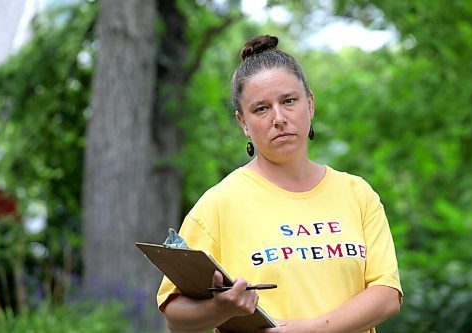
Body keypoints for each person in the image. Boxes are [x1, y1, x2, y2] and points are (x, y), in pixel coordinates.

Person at [156, 35, 402, 333]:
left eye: (289, 101)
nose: (279, 118)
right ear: (243, 123)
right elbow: (175, 316)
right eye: (261, 108)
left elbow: (387, 294)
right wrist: (218, 308)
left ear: (309, 105)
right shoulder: (219, 204)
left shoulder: (357, 193)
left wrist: (309, 330)